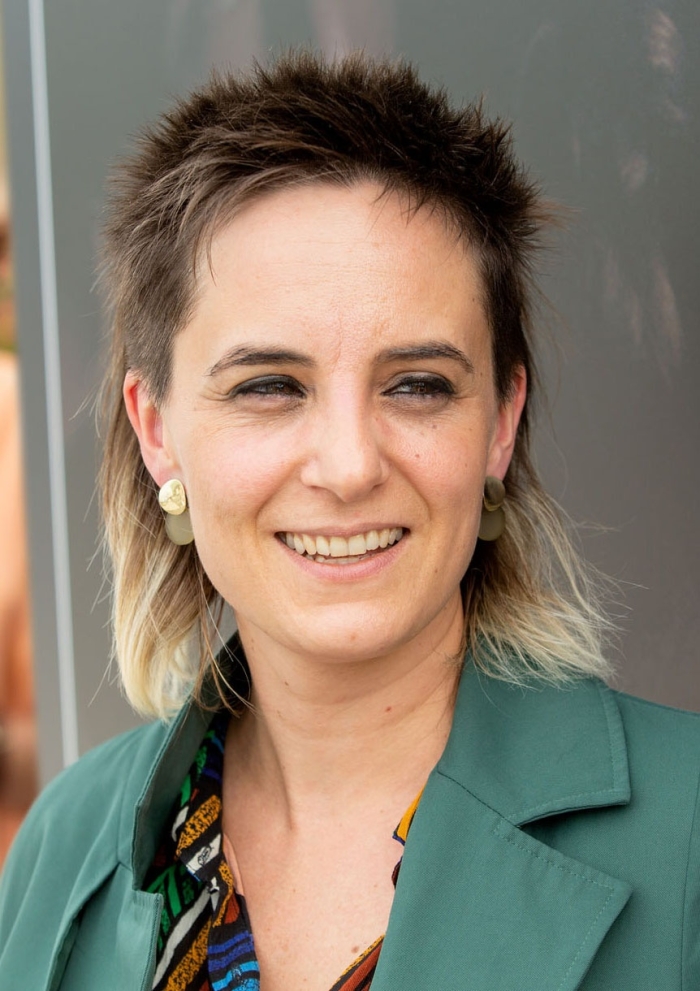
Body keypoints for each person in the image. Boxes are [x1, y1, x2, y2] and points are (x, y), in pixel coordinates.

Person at [0, 50, 699, 991]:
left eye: (417, 385)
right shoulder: (61, 848)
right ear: (156, 431)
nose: (349, 465)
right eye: (268, 386)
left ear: (501, 422)